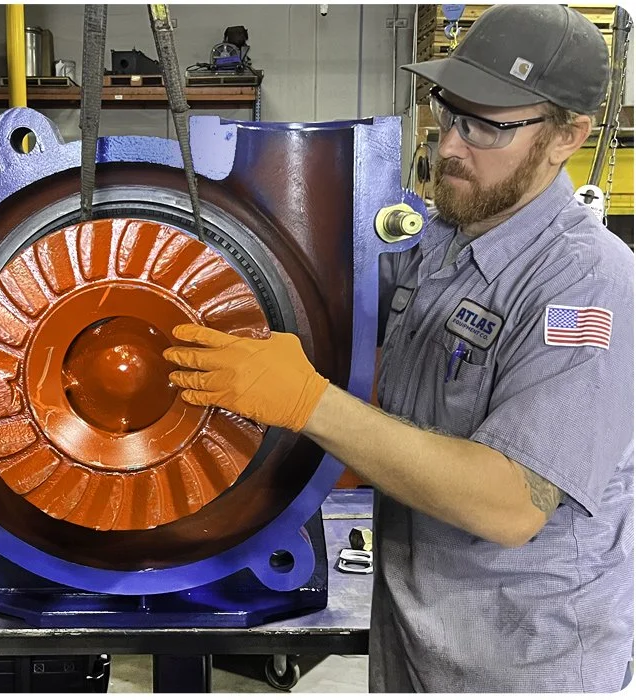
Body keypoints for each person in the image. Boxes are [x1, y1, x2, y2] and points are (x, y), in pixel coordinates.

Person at [163, 4, 633, 692]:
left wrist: (307, 402)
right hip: (412, 648)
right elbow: (313, 296)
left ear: (568, 136)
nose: (450, 145)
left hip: (523, 666)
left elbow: (511, 505)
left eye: (488, 126)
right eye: (449, 110)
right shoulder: (440, 244)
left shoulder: (587, 284)